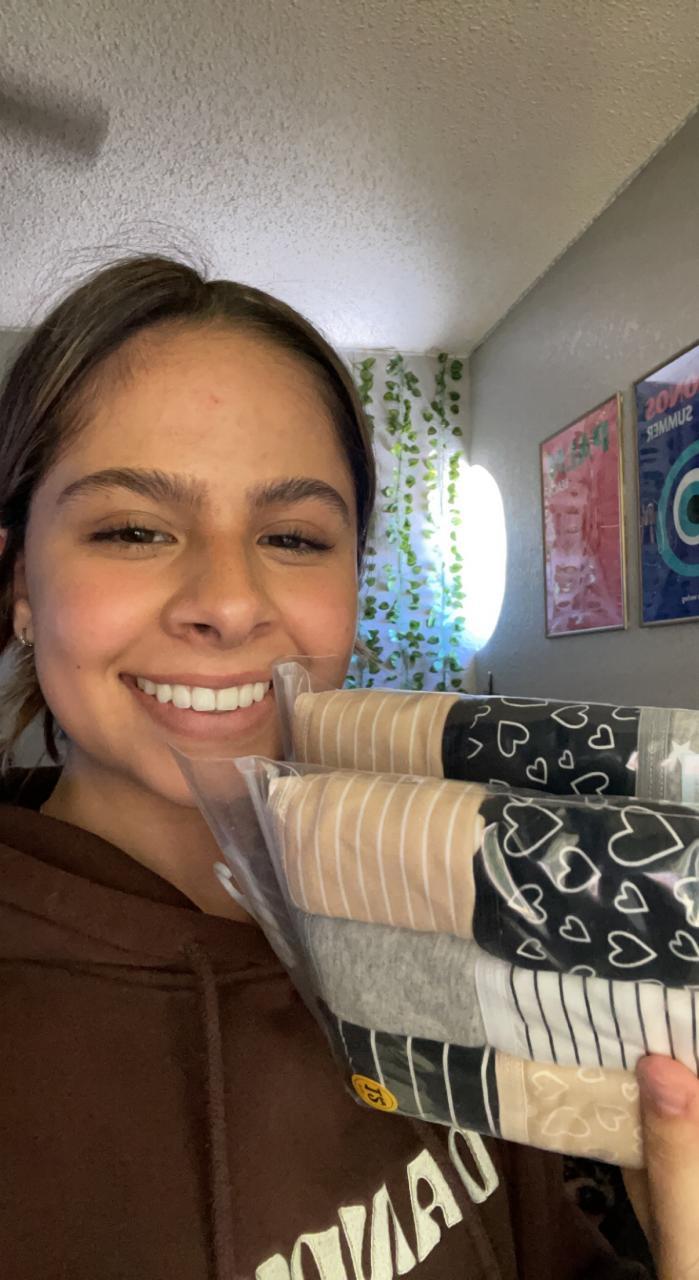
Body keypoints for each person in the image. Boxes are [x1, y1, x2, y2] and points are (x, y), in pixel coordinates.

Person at [0, 253, 694, 1280]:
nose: (229, 601)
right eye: (134, 529)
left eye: (292, 536)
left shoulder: (445, 883)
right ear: (19, 580)